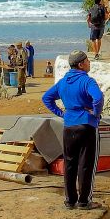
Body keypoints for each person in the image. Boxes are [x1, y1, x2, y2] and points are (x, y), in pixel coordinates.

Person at [42, 50, 105, 210]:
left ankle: (70, 201)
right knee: (86, 165)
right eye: (87, 61)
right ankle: (84, 201)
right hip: (87, 126)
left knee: (70, 164)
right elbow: (98, 98)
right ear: (81, 64)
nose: (89, 63)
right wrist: (96, 114)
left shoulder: (64, 82)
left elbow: (46, 98)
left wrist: (61, 113)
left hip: (69, 127)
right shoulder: (87, 81)